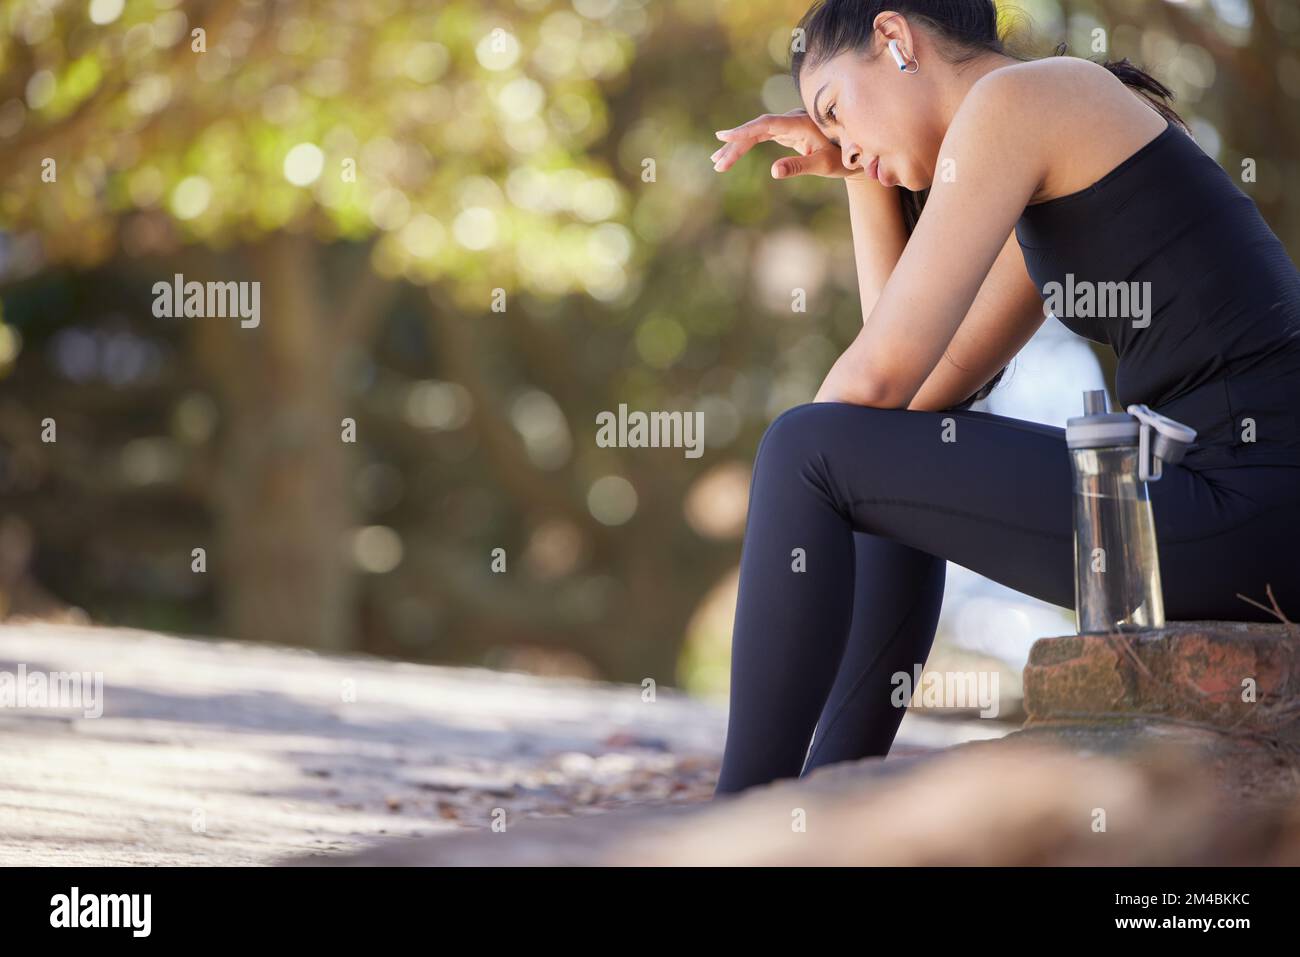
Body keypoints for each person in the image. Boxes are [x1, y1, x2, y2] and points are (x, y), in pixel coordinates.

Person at [707, 0, 1300, 796]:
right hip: (1223, 508)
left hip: (1247, 506)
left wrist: (799, 469)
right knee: (874, 462)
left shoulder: (1021, 102)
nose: (841, 140)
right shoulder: (1042, 140)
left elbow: (867, 392)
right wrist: (861, 174)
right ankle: (815, 800)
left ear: (893, 38)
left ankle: (739, 810)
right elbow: (908, 398)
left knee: (800, 447)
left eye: (836, 111)